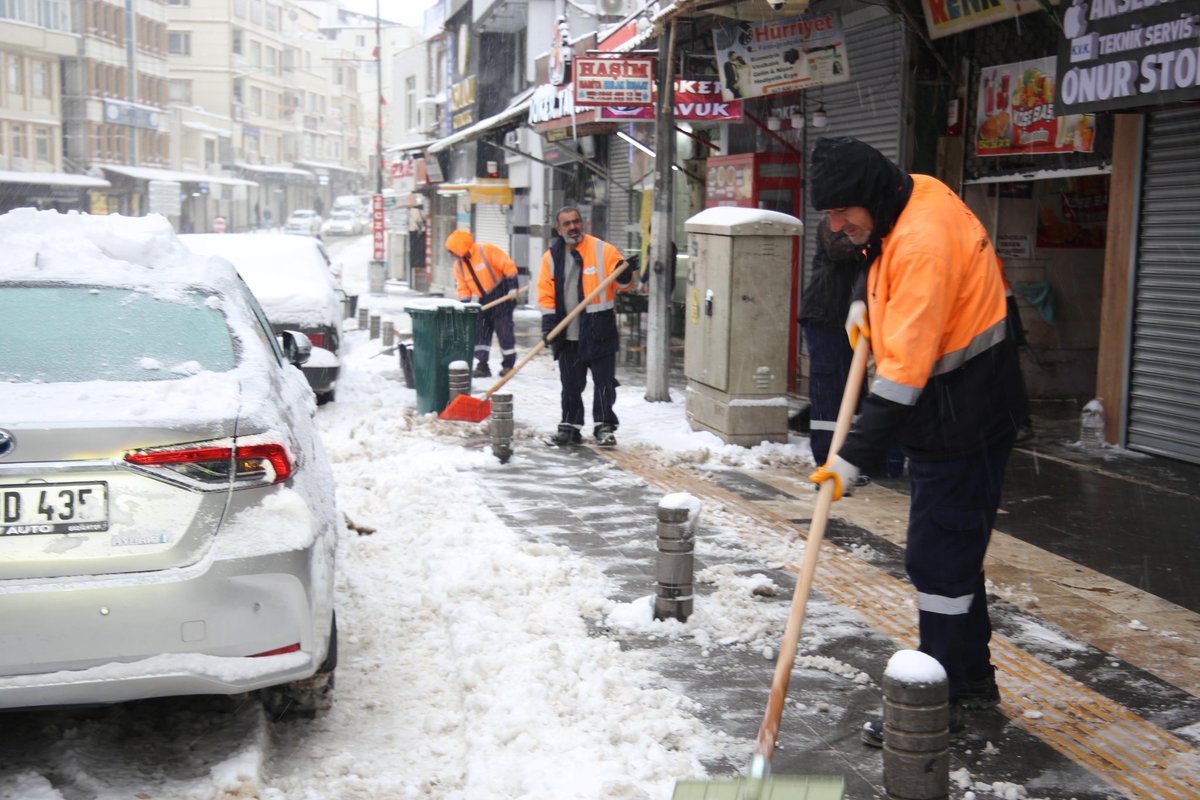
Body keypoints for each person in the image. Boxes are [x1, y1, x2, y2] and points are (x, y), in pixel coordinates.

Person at [805, 136, 1028, 747]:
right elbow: (879, 253)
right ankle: (973, 681)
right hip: (960, 410)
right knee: (953, 557)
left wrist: (850, 459)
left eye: (843, 210)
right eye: (827, 213)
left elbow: (901, 381)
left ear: (871, 195)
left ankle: (939, 700)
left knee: (937, 564)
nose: (836, 224)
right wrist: (861, 300)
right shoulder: (916, 192)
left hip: (964, 418)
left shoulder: (924, 242)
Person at [537, 206, 634, 447]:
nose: (573, 227)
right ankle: (570, 427)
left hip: (599, 330)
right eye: (567, 224)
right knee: (570, 384)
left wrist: (625, 275)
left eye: (576, 221)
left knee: (604, 384)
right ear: (559, 230)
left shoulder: (603, 250)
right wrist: (549, 325)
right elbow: (546, 295)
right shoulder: (551, 257)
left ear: (583, 223)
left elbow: (625, 284)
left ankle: (604, 427)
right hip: (568, 333)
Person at [799, 216, 868, 467]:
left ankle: (851, 459)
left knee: (854, 390)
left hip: (852, 321)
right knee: (829, 390)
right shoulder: (834, 223)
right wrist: (870, 242)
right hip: (825, 317)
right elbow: (837, 250)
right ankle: (828, 460)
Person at [445, 229, 520, 378]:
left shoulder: (485, 250)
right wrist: (465, 304)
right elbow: (463, 287)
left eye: (452, 251)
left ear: (460, 248)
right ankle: (482, 366)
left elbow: (507, 265)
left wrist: (513, 286)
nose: (451, 255)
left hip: (502, 293)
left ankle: (508, 365)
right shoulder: (459, 265)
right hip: (484, 299)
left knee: (503, 330)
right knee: (480, 332)